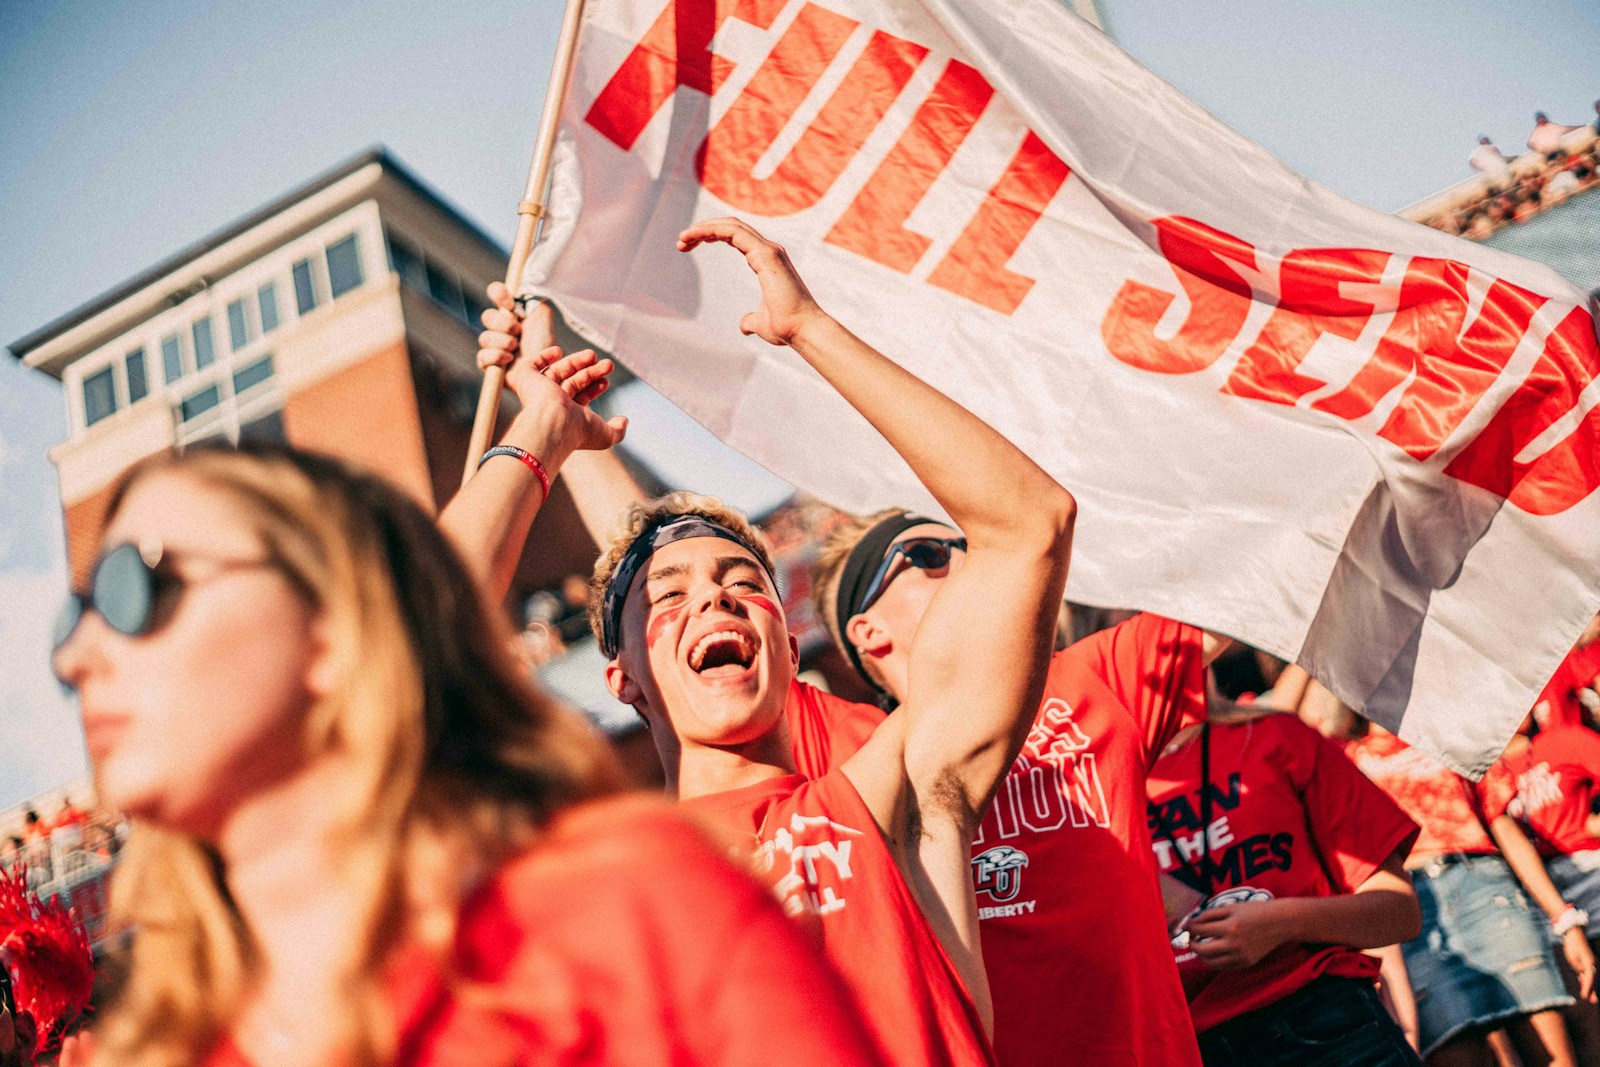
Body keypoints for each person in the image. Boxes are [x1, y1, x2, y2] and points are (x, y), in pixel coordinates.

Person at [51, 442, 887, 1067]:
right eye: (75, 611)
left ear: (336, 630)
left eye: (137, 588)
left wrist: (536, 440)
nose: (75, 656)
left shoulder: (625, 910)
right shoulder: (168, 1048)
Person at [463, 216, 1078, 1065]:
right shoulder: (597, 876)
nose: (714, 597)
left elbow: (1028, 524)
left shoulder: (889, 794)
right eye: (672, 598)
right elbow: (412, 639)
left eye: (744, 584)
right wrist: (541, 424)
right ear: (622, 679)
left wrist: (810, 330)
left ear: (791, 648)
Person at [798, 509, 1231, 1066]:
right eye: (928, 557)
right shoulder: (849, 750)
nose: (967, 562)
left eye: (968, 546)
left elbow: (1235, 584)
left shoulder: (1091, 675)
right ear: (868, 632)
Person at [1145, 705, 1422, 1066]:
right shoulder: (1087, 798)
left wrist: (1282, 922)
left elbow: (1400, 911)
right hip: (1190, 1049)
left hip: (1326, 1024)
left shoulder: (1275, 735)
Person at [1347, 724, 1588, 1066]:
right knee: (1458, 1054)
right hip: (1416, 917)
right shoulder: (1346, 756)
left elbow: (1502, 825)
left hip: (1489, 891)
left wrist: (1564, 918)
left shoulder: (1452, 732)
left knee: (1553, 1056)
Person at [1485, 717, 1600, 1061]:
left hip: (1588, 870)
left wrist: (1592, 825)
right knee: (1584, 1013)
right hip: (1537, 900)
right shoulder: (1478, 775)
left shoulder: (1561, 740)